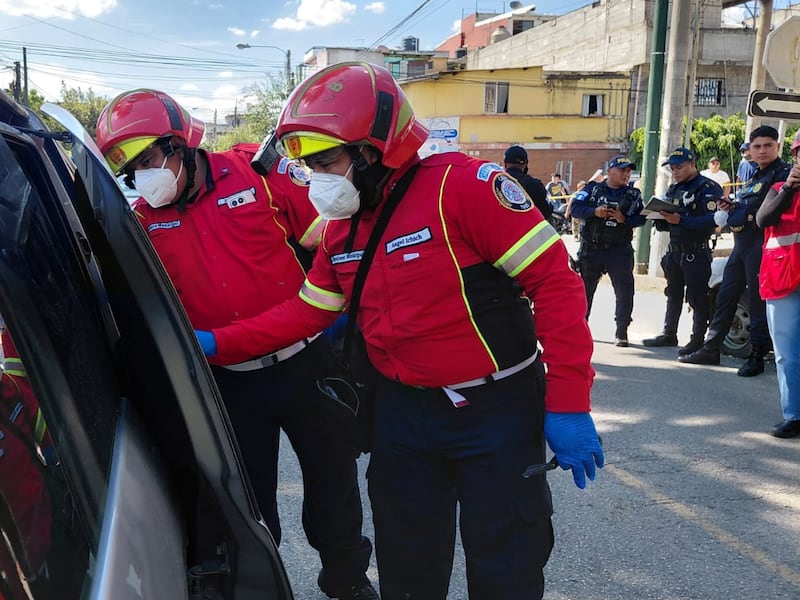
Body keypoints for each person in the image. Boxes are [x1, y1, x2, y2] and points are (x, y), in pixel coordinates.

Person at [195, 62, 603, 600]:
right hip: (403, 416)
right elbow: (304, 314)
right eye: (307, 164)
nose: (316, 177)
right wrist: (213, 343)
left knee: (507, 565)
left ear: (373, 150)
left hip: (496, 410)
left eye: (325, 160)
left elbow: (556, 285)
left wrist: (569, 401)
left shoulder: (464, 188)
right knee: (407, 567)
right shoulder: (343, 229)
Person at [95, 89, 377, 600]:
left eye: (149, 161)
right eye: (132, 171)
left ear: (179, 145)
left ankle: (348, 579)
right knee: (250, 503)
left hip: (304, 361)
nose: (144, 179)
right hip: (228, 381)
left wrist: (338, 304)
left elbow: (329, 233)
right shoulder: (142, 224)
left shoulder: (255, 171)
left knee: (333, 479)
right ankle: (265, 587)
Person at [679, 126, 791, 376]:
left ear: (777, 147)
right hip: (742, 245)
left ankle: (757, 355)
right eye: (757, 146)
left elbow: (765, 213)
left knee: (756, 301)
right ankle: (711, 347)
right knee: (725, 296)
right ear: (750, 149)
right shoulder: (754, 176)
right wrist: (731, 207)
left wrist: (741, 213)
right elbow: (748, 207)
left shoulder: (783, 175)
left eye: (768, 146)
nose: (762, 151)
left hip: (763, 246)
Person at [642, 148, 722, 354]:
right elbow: (669, 220)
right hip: (675, 249)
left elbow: (713, 221)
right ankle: (669, 333)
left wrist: (681, 220)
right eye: (672, 168)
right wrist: (659, 218)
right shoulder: (674, 188)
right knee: (673, 293)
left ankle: (697, 338)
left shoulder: (708, 188)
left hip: (695, 250)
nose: (675, 171)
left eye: (679, 167)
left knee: (697, 296)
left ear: (692, 164)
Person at [569, 155, 646, 347]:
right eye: (622, 170)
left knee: (624, 292)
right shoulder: (592, 189)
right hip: (592, 249)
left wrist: (623, 219)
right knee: (584, 293)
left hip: (619, 250)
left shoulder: (633, 195)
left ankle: (621, 332)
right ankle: (581, 330)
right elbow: (575, 208)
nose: (626, 175)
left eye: (628, 171)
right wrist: (595, 212)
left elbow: (642, 218)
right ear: (609, 171)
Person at [755, 130, 800, 438]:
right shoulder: (778, 188)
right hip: (784, 281)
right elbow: (763, 218)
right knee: (786, 353)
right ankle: (794, 414)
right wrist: (788, 188)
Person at [503, 145, 553, 219]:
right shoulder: (535, 185)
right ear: (525, 164)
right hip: (526, 229)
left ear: (505, 163)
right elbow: (547, 211)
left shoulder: (493, 184)